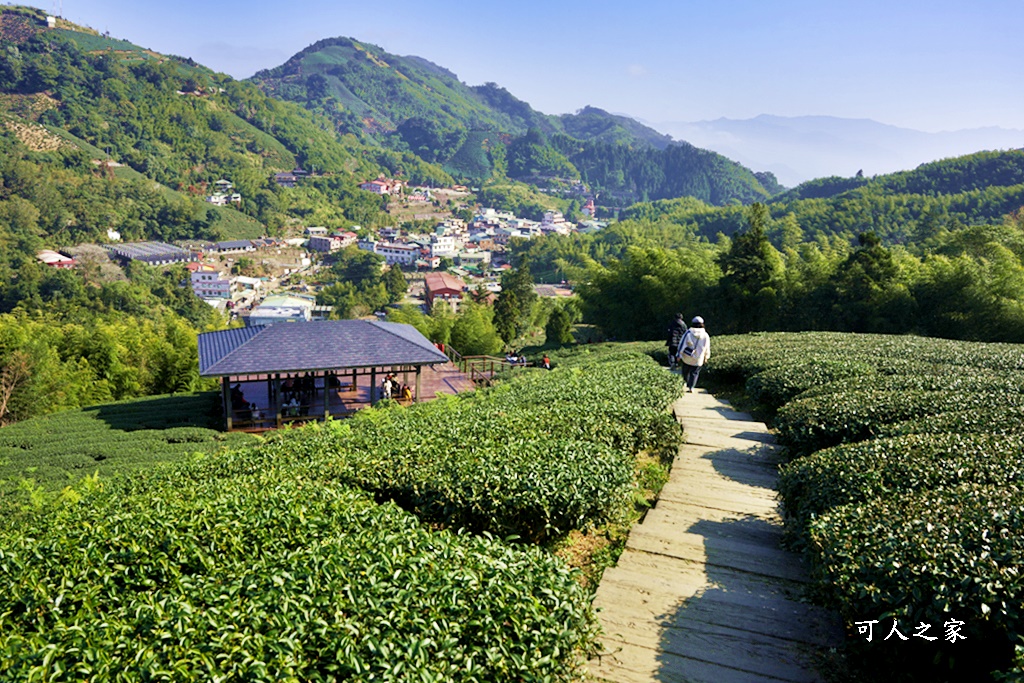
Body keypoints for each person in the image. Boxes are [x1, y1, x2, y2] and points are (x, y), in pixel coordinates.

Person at [677, 316, 711, 393]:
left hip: (687, 356)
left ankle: (686, 382)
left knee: (685, 371)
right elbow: (707, 347)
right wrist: (706, 357)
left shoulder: (688, 333)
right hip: (699, 357)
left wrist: (679, 355)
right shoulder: (705, 335)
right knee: (694, 373)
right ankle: (691, 387)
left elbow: (682, 344)